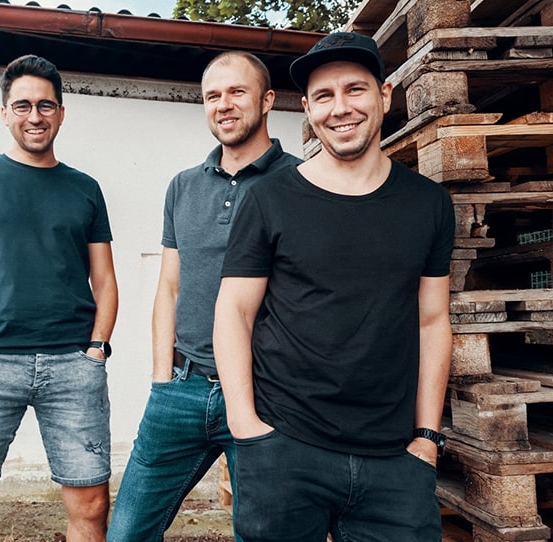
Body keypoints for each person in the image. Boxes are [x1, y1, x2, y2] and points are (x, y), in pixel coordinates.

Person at [212, 32, 454, 542]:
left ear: (384, 95)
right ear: (308, 109)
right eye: (323, 96)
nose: (340, 108)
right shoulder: (268, 199)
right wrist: (246, 428)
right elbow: (234, 311)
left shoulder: (428, 204)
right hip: (284, 447)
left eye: (355, 90)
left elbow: (432, 319)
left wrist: (426, 438)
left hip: (395, 460)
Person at [106, 52, 301, 542]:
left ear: (267, 100)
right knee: (126, 534)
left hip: (267, 393)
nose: (223, 105)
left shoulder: (301, 183)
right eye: (212, 96)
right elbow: (169, 285)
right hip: (182, 389)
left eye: (237, 92)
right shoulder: (183, 186)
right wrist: (161, 379)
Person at [0, 54, 118, 542]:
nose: (34, 116)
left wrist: (96, 349)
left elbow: (104, 279)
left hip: (73, 367)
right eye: (22, 106)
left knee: (92, 507)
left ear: (61, 112)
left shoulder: (85, 189)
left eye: (45, 105)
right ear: (4, 113)